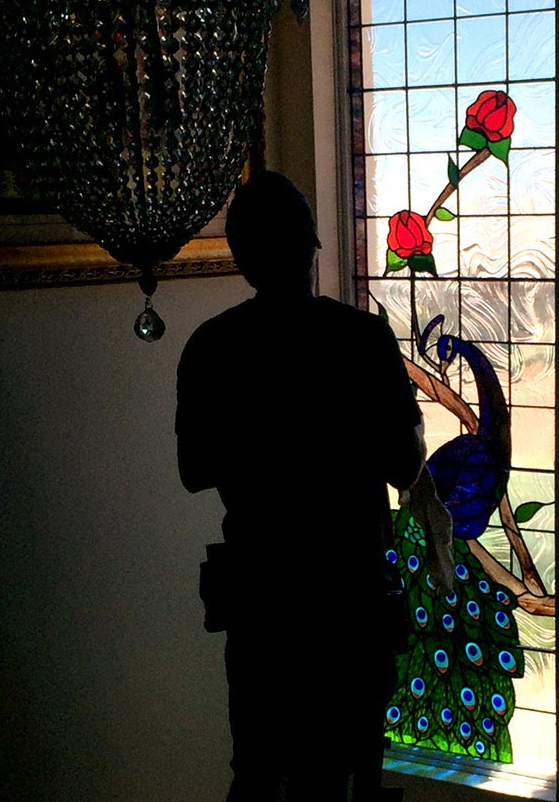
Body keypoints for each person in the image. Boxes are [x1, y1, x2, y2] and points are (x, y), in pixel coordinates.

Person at [175, 170, 428, 801]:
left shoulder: (210, 347)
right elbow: (405, 463)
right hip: (348, 601)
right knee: (346, 773)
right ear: (310, 247)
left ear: (242, 258)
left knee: (258, 771)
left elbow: (194, 471)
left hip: (263, 608)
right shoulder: (363, 339)